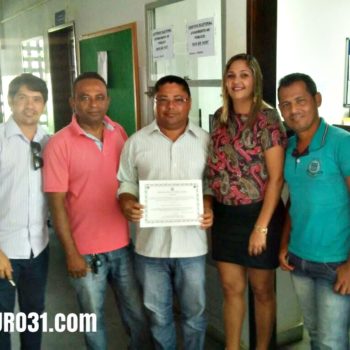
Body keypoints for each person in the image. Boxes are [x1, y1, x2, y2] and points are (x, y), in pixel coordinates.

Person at [43, 72, 149, 350]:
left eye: (99, 97)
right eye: (85, 98)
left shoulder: (119, 133)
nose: (93, 104)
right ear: (72, 103)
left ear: (108, 100)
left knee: (136, 315)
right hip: (85, 254)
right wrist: (71, 254)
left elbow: (129, 182)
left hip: (123, 246)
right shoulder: (59, 143)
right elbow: (56, 204)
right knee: (93, 320)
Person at [117, 75, 213, 350]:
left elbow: (211, 183)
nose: (170, 107)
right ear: (155, 103)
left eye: (178, 100)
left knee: (195, 314)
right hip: (151, 248)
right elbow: (126, 182)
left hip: (191, 246)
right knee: (158, 316)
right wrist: (126, 203)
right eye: (163, 100)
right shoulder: (136, 142)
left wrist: (207, 204)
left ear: (189, 103)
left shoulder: (205, 141)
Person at [207, 53, 287, 350]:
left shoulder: (267, 119)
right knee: (231, 288)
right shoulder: (219, 117)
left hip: (259, 215)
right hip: (225, 215)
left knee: (262, 289)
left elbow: (276, 179)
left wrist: (261, 228)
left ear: (255, 80)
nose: (237, 81)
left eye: (244, 75)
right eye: (231, 75)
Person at [278, 72, 350, 349]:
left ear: (316, 100)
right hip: (299, 259)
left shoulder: (341, 143)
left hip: (336, 262)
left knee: (333, 342)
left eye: (300, 100)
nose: (293, 109)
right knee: (315, 335)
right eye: (285, 104)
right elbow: (294, 199)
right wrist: (284, 242)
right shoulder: (290, 148)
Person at [0, 73, 49, 349]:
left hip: (39, 249)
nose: (30, 106)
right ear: (10, 101)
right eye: (22, 98)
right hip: (4, 251)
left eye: (36, 99)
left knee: (34, 317)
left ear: (43, 105)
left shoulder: (50, 142)